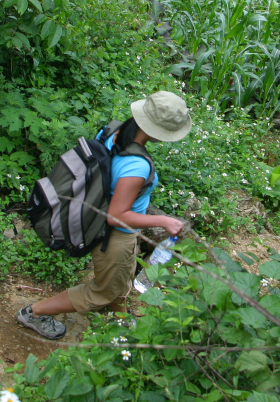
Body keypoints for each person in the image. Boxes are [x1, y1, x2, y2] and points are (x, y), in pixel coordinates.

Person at [16, 91, 192, 339]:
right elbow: (116, 216)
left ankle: (121, 319)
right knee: (103, 292)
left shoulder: (114, 131)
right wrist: (163, 221)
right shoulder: (137, 165)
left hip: (99, 223)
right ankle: (33, 312)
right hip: (115, 235)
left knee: (120, 279)